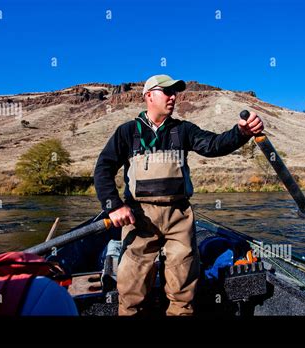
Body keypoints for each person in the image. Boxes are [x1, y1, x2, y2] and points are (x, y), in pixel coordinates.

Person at [94, 74, 264, 315]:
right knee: (131, 286)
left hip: (179, 217)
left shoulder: (184, 130)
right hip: (139, 218)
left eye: (175, 92)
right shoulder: (127, 132)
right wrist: (113, 205)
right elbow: (103, 169)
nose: (173, 97)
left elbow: (214, 145)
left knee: (183, 285)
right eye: (167, 92)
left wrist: (242, 132)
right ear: (149, 95)